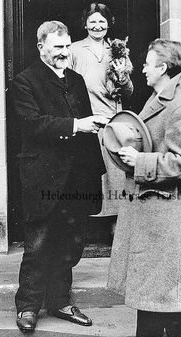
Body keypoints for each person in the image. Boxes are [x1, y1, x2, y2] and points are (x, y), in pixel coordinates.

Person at [107, 39, 181, 337]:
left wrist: (142, 161)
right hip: (153, 207)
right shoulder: (160, 98)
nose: (142, 68)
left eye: (148, 63)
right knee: (149, 277)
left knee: (172, 286)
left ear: (164, 68)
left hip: (171, 211)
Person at [12, 21, 107, 333]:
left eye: (67, 46)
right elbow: (32, 125)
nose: (65, 52)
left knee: (70, 242)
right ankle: (28, 305)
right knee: (38, 243)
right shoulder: (25, 82)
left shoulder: (77, 81)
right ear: (42, 47)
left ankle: (61, 302)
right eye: (58, 48)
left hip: (76, 178)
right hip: (43, 178)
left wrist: (96, 174)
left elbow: (89, 131)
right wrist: (77, 125)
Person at [70, 2, 133, 215]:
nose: (97, 26)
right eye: (93, 21)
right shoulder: (74, 49)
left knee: (115, 179)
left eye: (102, 21)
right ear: (85, 25)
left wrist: (123, 78)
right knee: (88, 180)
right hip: (86, 122)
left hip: (112, 122)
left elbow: (129, 93)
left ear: (109, 24)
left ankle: (115, 234)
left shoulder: (117, 49)